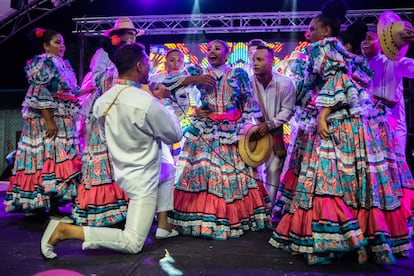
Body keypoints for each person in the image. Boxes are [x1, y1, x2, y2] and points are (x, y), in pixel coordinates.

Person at [269, 0, 411, 265]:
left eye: (311, 28)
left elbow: (338, 81)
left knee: (327, 180)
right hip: (352, 125)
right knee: (353, 181)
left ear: (324, 31)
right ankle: (360, 238)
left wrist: (322, 116)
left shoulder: (323, 48)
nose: (306, 33)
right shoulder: (343, 53)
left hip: (333, 122)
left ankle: (338, 239)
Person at [40, 42, 183, 259]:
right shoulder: (146, 103)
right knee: (133, 242)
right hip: (141, 179)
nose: (148, 67)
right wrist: (162, 101)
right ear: (139, 66)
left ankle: (163, 225)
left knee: (168, 171)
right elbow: (174, 135)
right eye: (146, 63)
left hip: (121, 170)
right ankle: (65, 231)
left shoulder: (103, 99)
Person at [169, 39, 272, 240]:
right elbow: (166, 83)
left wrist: (259, 127)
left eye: (217, 48)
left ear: (227, 53)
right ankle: (200, 216)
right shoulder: (198, 72)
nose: (212, 52)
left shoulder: (238, 74)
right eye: (209, 49)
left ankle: (234, 216)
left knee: (232, 176)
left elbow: (248, 101)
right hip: (206, 128)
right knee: (202, 173)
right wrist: (194, 81)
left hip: (230, 130)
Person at [4, 28, 91, 217]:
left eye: (63, 42)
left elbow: (71, 91)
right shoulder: (42, 62)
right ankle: (38, 202)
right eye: (57, 42)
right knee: (45, 158)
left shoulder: (63, 64)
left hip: (63, 118)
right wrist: (49, 120)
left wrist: (89, 90)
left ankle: (53, 201)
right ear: (45, 45)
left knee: (60, 159)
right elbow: (38, 92)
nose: (62, 46)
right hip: (47, 119)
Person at [72, 37, 129, 227]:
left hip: (102, 124)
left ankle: (104, 210)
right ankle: (114, 211)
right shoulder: (117, 75)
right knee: (112, 166)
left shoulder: (104, 75)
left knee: (105, 166)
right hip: (110, 125)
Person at [361, 14, 414, 159]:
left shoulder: (395, 62)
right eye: (364, 38)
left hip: (393, 126)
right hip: (369, 127)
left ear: (382, 43)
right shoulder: (359, 65)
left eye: (370, 38)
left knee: (396, 168)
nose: (364, 42)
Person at [250, 45, 296, 211]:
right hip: (251, 135)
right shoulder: (247, 83)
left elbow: (288, 110)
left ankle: (269, 210)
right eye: (254, 60)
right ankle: (255, 209)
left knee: (274, 170)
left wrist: (270, 124)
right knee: (251, 171)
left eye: (260, 60)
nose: (255, 63)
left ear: (272, 62)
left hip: (274, 132)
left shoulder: (285, 83)